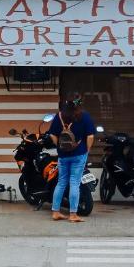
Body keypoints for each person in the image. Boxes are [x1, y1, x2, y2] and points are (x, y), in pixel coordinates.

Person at [46, 95, 97, 223]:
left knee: (61, 182)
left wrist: (59, 145)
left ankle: (56, 212)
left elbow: (52, 134)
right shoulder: (84, 116)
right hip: (79, 154)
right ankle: (73, 214)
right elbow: (90, 136)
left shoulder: (59, 116)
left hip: (63, 155)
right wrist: (87, 150)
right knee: (74, 183)